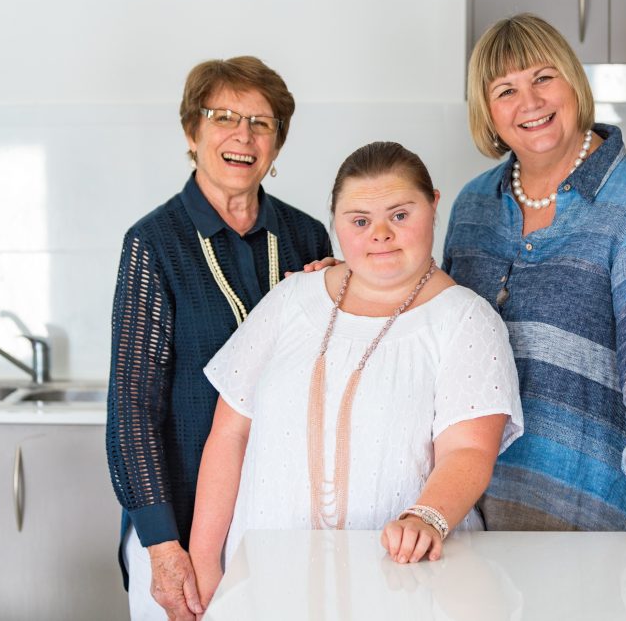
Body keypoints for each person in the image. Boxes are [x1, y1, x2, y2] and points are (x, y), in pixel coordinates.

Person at [442, 13, 626, 559]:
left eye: (542, 78)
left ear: (573, 82)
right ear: (488, 112)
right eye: (505, 89)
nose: (528, 101)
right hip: (472, 515)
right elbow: (440, 343)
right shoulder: (472, 207)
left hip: (588, 515)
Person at [188, 141, 524, 606]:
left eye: (400, 215)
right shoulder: (291, 299)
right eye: (360, 221)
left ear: (433, 205)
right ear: (336, 225)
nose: (380, 234)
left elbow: (468, 450)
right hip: (265, 584)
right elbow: (229, 435)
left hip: (404, 584)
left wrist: (427, 517)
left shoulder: (467, 319)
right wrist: (205, 561)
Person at [106, 56, 332, 620]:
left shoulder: (307, 236)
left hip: (284, 520)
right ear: (192, 130)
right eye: (224, 116)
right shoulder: (154, 243)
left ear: (276, 145)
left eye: (261, 122)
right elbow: (133, 409)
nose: (243, 135)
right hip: (181, 525)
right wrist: (162, 546)